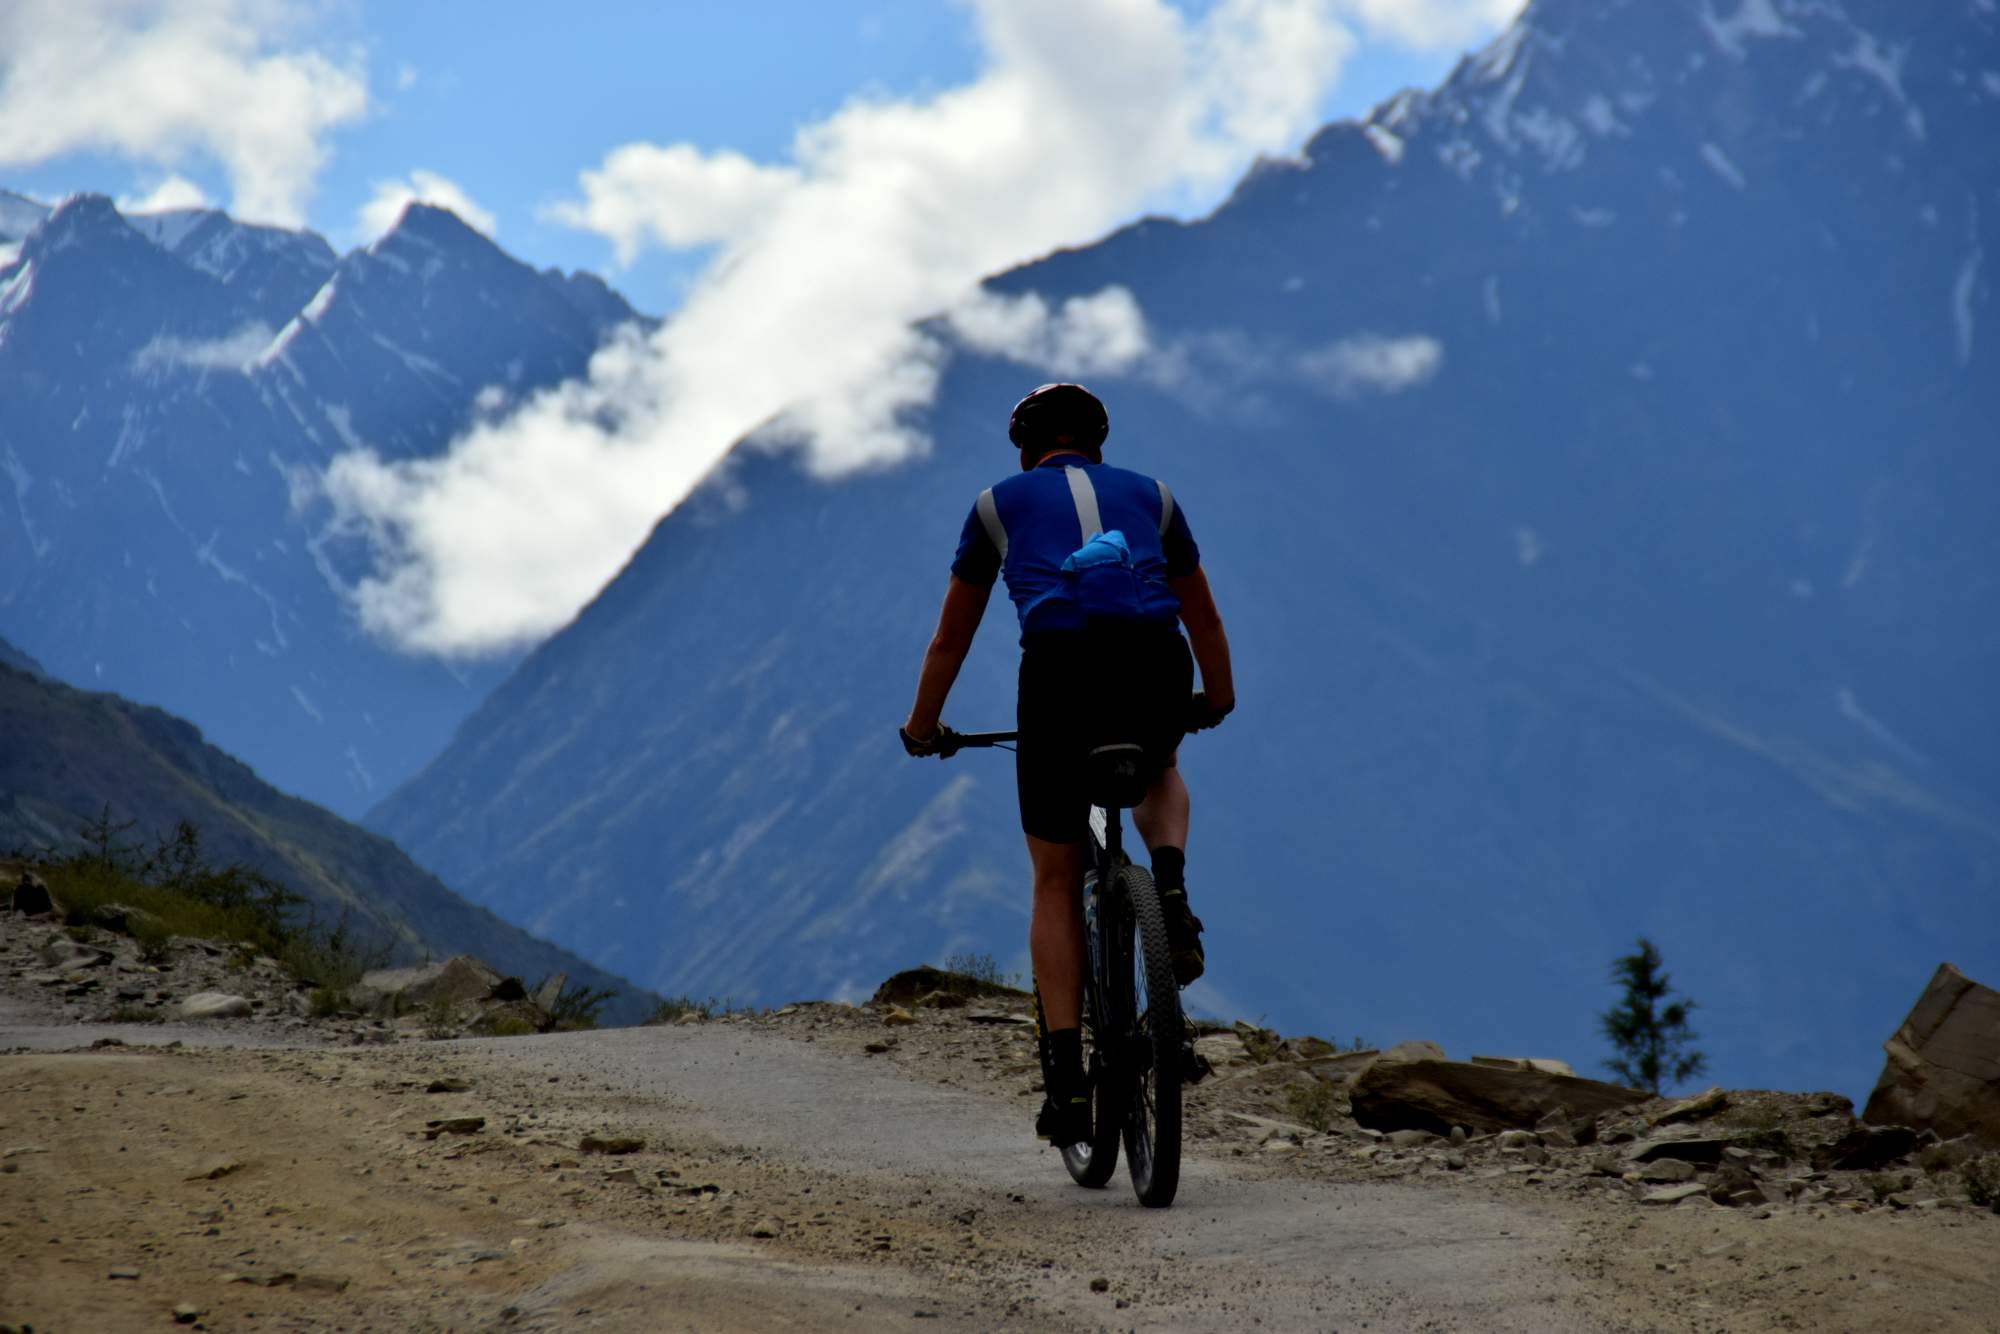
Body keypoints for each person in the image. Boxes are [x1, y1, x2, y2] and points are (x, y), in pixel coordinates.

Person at [898, 382, 1235, 1148]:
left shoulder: (997, 504)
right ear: (1099, 444)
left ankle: (1067, 1086)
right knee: (1161, 763)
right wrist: (1215, 696)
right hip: (1154, 661)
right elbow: (1203, 613)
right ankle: (1171, 892)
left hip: (1059, 675)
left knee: (1055, 876)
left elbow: (950, 639)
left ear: (1025, 448)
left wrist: (924, 726)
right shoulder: (1154, 497)